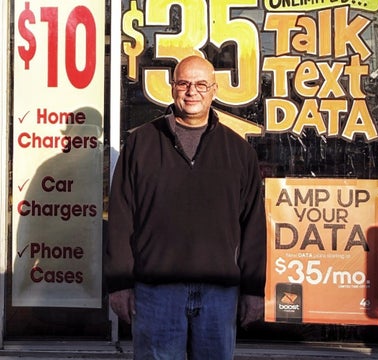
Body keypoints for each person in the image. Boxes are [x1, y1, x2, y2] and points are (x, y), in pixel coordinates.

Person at [104, 55, 266, 359]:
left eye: (201, 84)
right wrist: (119, 283)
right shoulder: (141, 143)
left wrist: (254, 289)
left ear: (215, 91)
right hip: (156, 292)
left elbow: (253, 226)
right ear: (172, 88)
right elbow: (122, 217)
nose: (192, 91)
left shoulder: (239, 151)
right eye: (184, 83)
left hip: (219, 293)